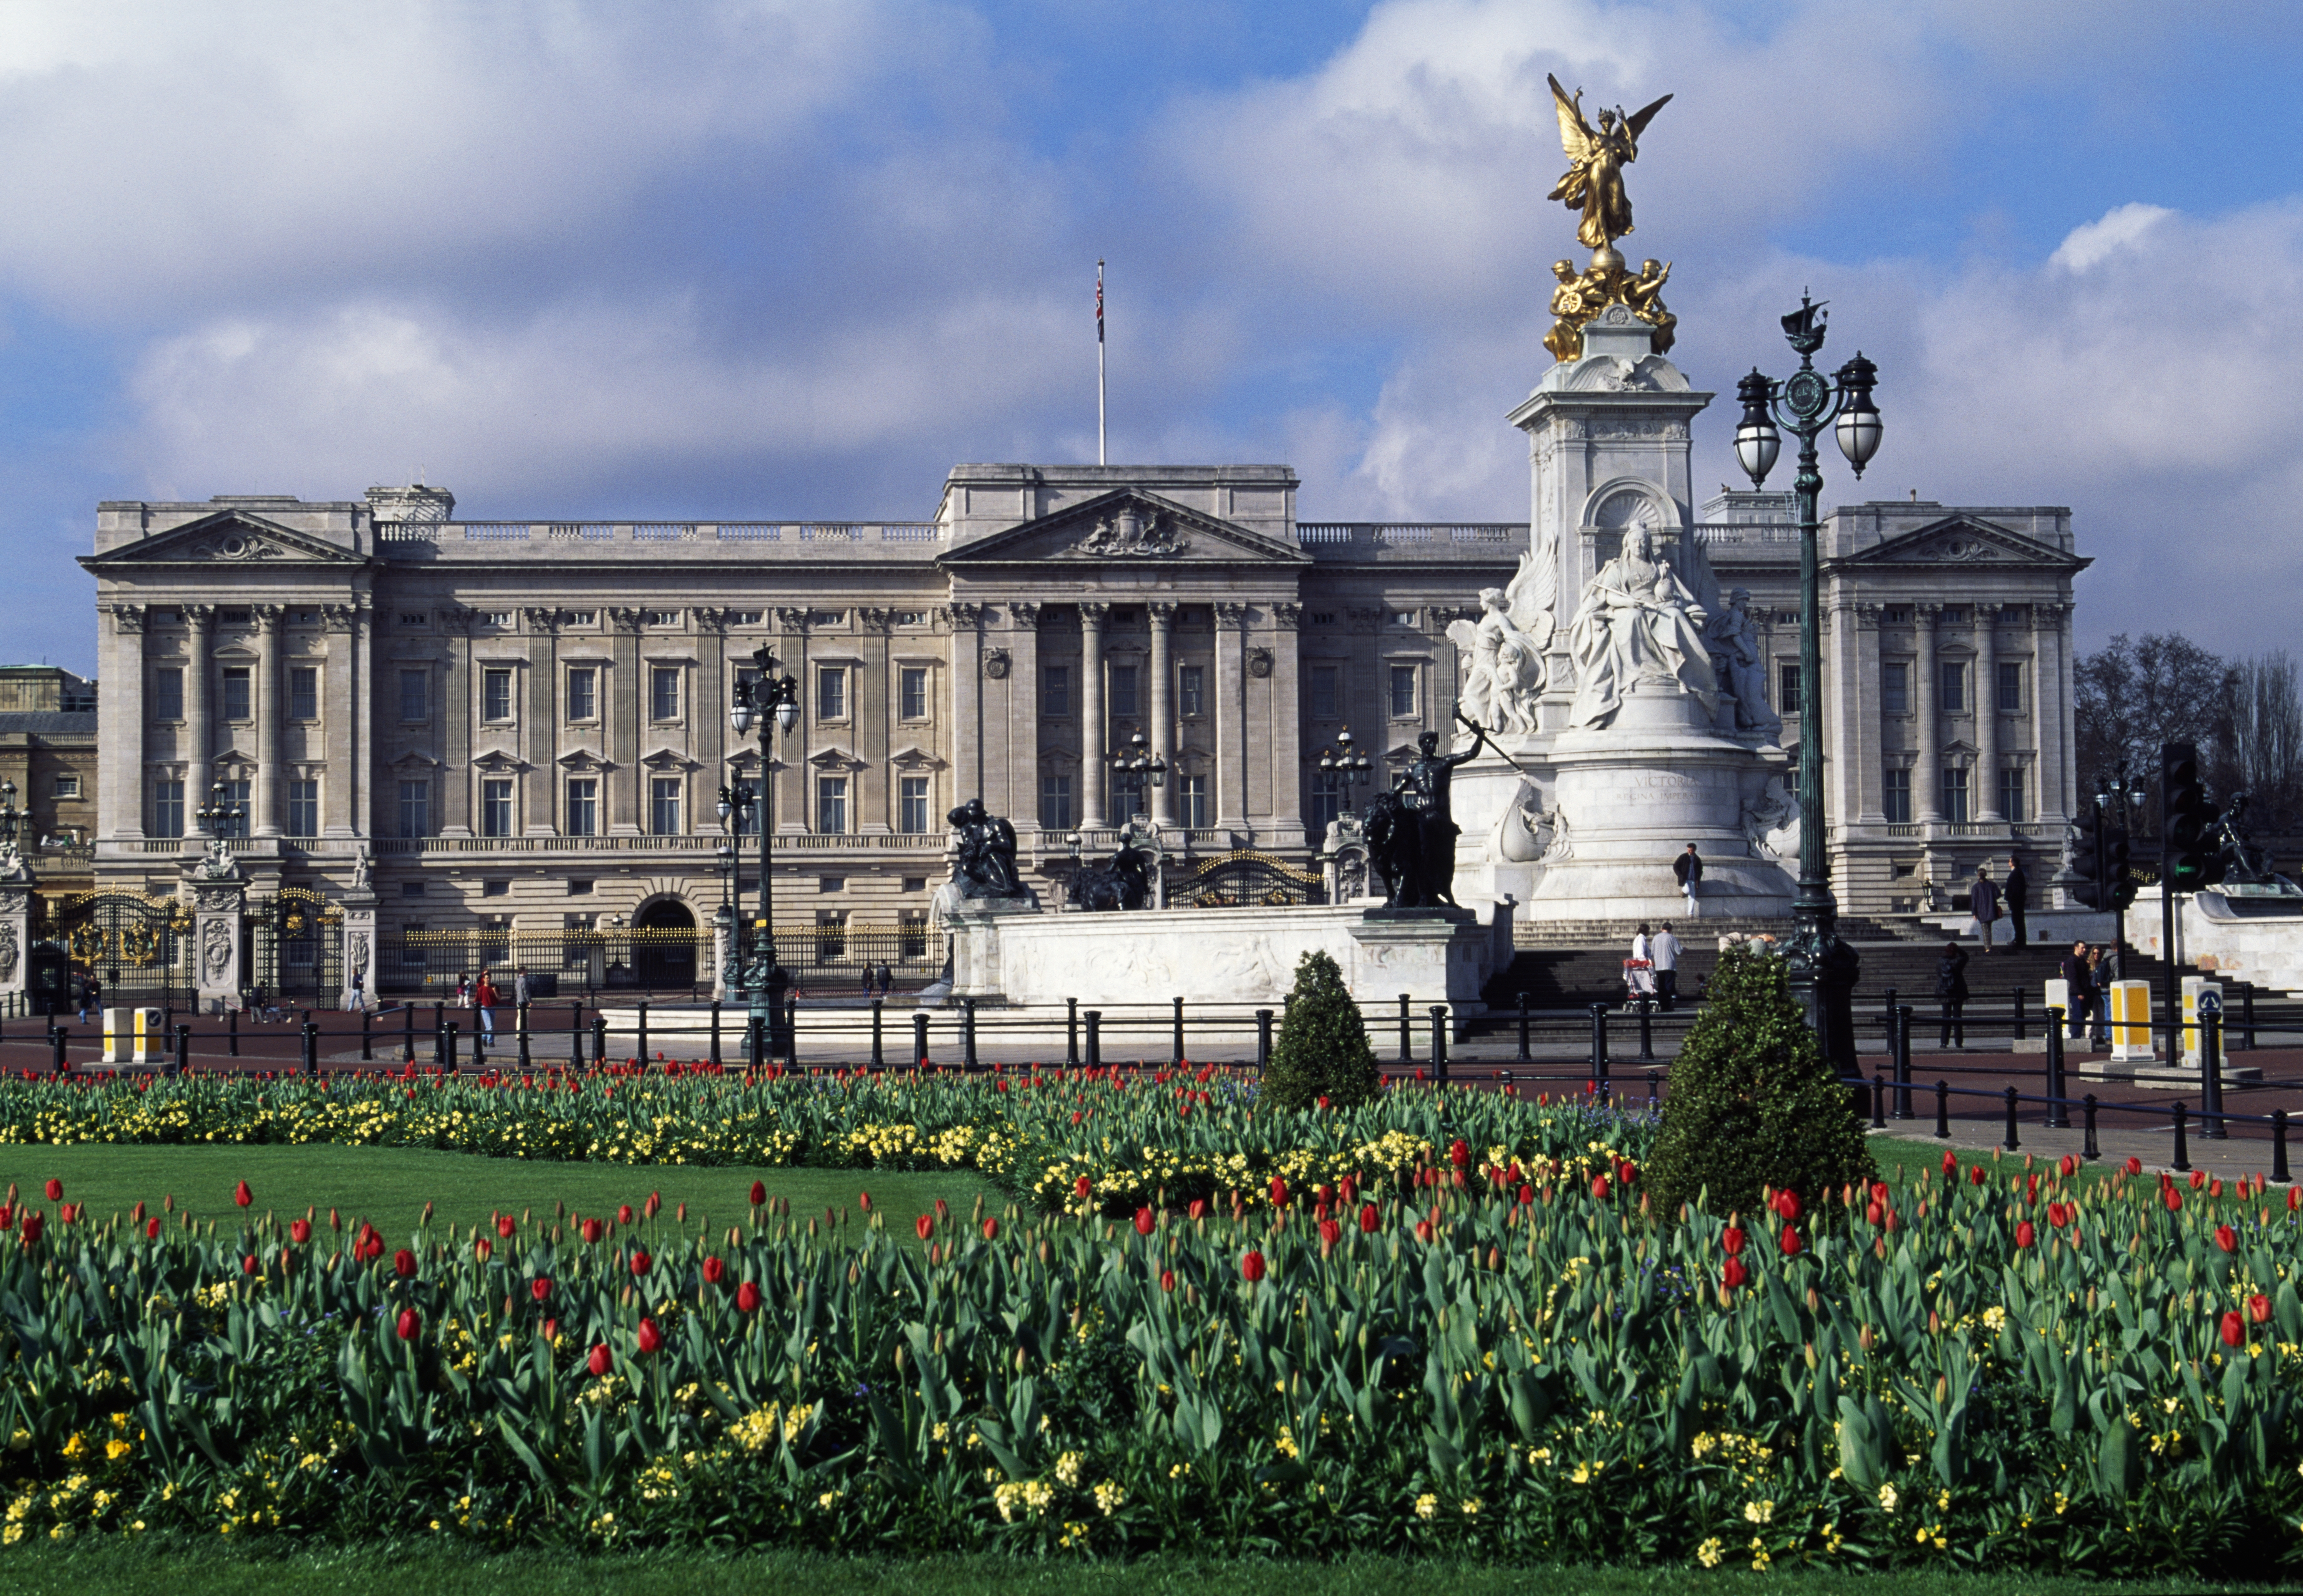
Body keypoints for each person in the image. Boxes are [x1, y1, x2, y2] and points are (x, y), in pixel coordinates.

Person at [1935, 940, 1970, 1050]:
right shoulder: (1958, 961)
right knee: (1958, 1018)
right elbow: (1966, 956)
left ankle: (1944, 1043)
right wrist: (1957, 949)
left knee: (1946, 1018)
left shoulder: (1940, 961)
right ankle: (1959, 1043)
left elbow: (1938, 973)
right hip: (1958, 992)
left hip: (1944, 992)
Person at [2059, 940, 2092, 1041]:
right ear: (2076, 948)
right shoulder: (2072, 961)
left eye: (2085, 948)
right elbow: (2073, 979)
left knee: (2082, 1015)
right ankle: (2075, 1038)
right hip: (2078, 993)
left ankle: (2077, 1037)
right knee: (2078, 1015)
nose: (2084, 950)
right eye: (2082, 948)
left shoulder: (2081, 961)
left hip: (2084, 992)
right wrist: (2079, 992)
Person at [1968, 866, 2000, 954]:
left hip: (1981, 911)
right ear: (1986, 875)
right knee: (1989, 928)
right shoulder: (1992, 884)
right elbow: (1998, 895)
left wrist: (1974, 913)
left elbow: (1974, 901)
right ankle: (1990, 946)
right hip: (1991, 909)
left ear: (1978, 875)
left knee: (1985, 929)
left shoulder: (1975, 887)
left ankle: (1988, 948)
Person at [1651, 922, 1683, 1010]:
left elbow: (1652, 952)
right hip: (1670, 966)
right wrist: (1684, 949)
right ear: (1670, 930)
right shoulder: (1672, 937)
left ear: (1662, 929)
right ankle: (1667, 1005)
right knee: (1669, 985)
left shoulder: (1656, 938)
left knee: (1661, 986)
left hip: (1659, 966)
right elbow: (1679, 951)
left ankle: (1661, 1004)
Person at [2004, 853, 2030, 950]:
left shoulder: (2016, 873)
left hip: (2016, 902)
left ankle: (2020, 940)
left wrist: (2010, 897)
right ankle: (2019, 939)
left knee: (2017, 921)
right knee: (2017, 921)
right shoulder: (2017, 872)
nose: (2009, 863)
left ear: (2013, 863)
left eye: (2010, 861)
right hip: (2016, 901)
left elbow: (2016, 888)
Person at [1673, 843, 1703, 918]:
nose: (1689, 851)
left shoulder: (1697, 859)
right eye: (1688, 850)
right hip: (1685, 879)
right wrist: (1680, 875)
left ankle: (1691, 913)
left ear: (1695, 850)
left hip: (1693, 879)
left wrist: (1698, 879)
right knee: (1687, 890)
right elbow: (1675, 866)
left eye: (1691, 850)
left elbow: (1700, 870)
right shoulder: (1683, 857)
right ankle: (1683, 892)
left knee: (1692, 897)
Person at [471, 968, 497, 1049]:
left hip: (492, 1008)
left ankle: (483, 1037)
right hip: (485, 1008)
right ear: (484, 979)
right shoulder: (481, 989)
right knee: (490, 1027)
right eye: (487, 978)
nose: (488, 980)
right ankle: (491, 1042)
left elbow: (499, 998)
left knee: (490, 1027)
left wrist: (495, 991)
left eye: (489, 978)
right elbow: (476, 1000)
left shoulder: (494, 987)